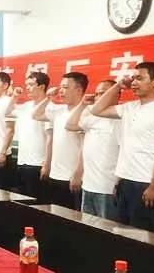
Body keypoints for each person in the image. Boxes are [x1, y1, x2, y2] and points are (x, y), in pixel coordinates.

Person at [91, 62, 154, 232]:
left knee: (144, 237)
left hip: (146, 184)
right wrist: (118, 86)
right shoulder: (129, 107)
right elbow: (96, 110)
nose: (134, 82)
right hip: (125, 182)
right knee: (122, 233)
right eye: (133, 78)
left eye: (140, 78)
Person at [66, 80, 121, 220]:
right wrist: (82, 104)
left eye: (103, 93)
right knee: (88, 227)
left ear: (116, 95)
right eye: (97, 94)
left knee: (107, 228)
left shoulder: (120, 119)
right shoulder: (93, 117)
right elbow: (70, 125)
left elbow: (125, 155)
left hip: (107, 188)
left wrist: (118, 183)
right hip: (88, 185)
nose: (98, 97)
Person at [33, 72, 87, 210]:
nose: (61, 91)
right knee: (55, 214)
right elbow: (36, 114)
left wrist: (78, 173)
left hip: (72, 177)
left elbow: (85, 146)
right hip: (55, 174)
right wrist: (48, 98)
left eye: (65, 87)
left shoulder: (85, 113)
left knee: (71, 216)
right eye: (60, 87)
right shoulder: (59, 111)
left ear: (79, 90)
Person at [11, 73, 52, 199]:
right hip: (22, 161)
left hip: (37, 164)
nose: (27, 88)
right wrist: (15, 96)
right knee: (21, 200)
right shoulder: (26, 106)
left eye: (31, 84)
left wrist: (47, 164)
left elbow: (50, 138)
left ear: (42, 86)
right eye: (26, 85)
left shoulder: (49, 107)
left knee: (36, 202)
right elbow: (7, 112)